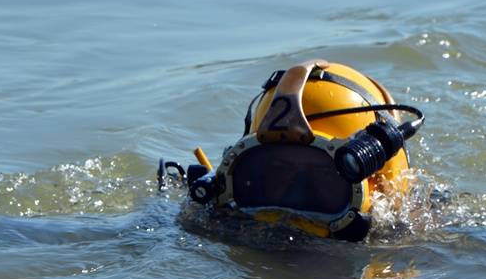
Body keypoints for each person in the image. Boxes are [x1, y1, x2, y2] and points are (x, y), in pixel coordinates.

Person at [160, 59, 424, 242]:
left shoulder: (412, 241)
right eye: (278, 170)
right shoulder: (220, 219)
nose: (294, 191)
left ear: (377, 185)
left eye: (323, 173)